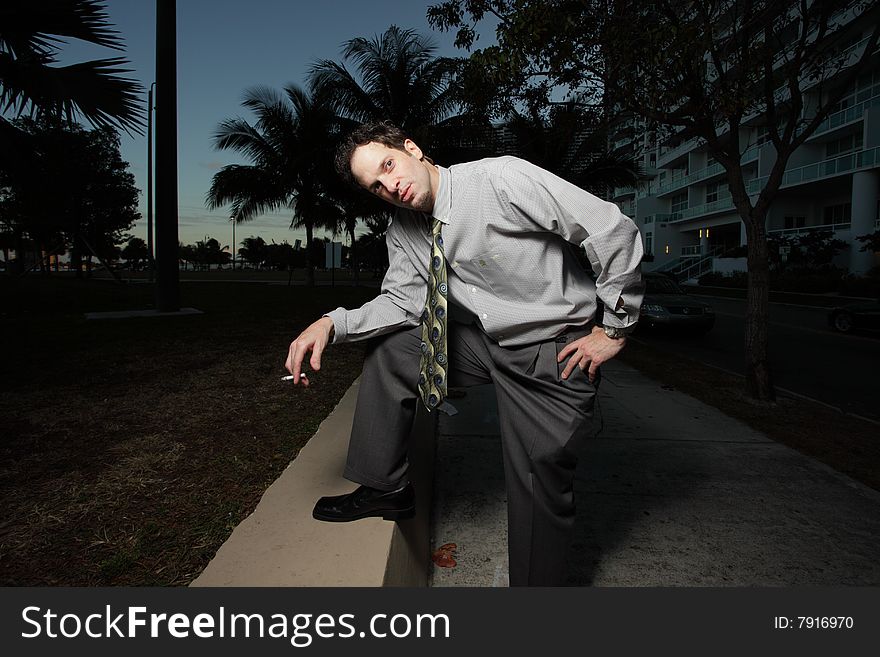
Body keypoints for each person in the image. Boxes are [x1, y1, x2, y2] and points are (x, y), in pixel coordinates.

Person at [285, 121, 644, 586]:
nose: (389, 186)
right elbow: (402, 302)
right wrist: (331, 323)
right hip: (486, 344)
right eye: (375, 185)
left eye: (388, 165)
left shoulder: (500, 180)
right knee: (396, 346)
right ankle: (386, 487)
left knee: (538, 480)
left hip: (554, 352)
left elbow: (610, 229)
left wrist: (615, 328)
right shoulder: (404, 229)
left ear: (411, 148)